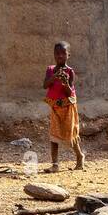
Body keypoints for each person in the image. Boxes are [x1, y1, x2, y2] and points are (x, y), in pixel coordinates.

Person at [43, 41, 84, 172]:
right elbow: (45, 85)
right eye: (57, 53)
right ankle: (55, 164)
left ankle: (79, 156)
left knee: (70, 134)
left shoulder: (69, 72)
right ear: (54, 55)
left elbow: (69, 92)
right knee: (54, 135)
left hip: (67, 107)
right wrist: (54, 77)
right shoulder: (50, 70)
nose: (60, 56)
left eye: (63, 53)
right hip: (55, 107)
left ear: (68, 55)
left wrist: (65, 82)